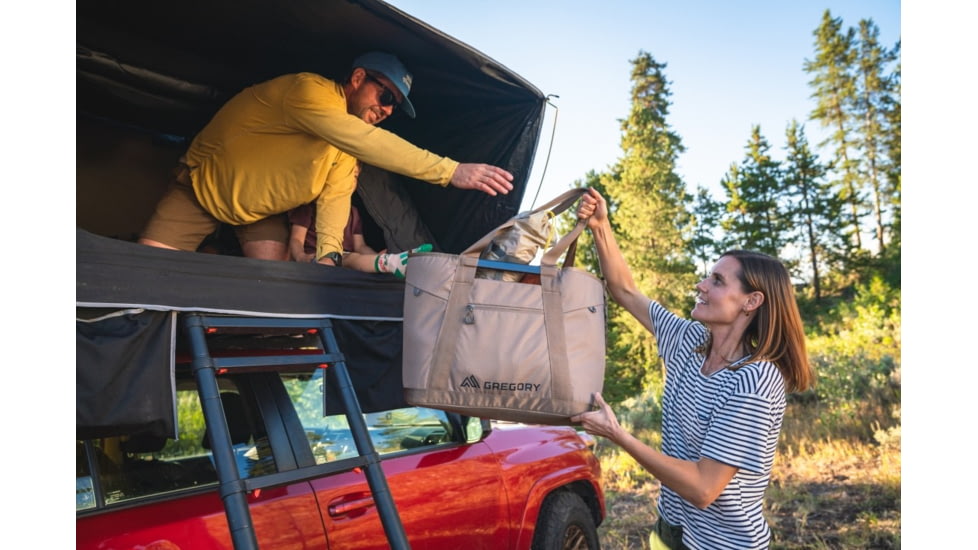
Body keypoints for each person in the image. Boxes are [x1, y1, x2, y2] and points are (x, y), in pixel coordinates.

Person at [570, 188, 814, 550]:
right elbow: (624, 290)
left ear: (752, 301)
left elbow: (703, 488)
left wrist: (619, 435)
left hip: (722, 543)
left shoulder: (755, 380)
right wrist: (600, 226)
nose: (701, 285)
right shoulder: (689, 340)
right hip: (670, 527)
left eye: (717, 280)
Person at [138, 51, 514, 266]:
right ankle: (210, 252)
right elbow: (366, 140)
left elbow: (335, 199)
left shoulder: (345, 147)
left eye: (393, 108)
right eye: (384, 97)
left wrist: (329, 256)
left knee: (267, 291)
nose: (386, 110)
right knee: (140, 277)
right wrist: (450, 171)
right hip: (201, 190)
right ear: (358, 78)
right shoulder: (310, 92)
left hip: (257, 213)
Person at [288, 201, 430, 278]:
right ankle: (392, 263)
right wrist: (301, 257)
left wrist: (374, 255)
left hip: (345, 255)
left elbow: (360, 245)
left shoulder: (352, 211)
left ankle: (390, 261)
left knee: (355, 256)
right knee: (350, 258)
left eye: (355, 177)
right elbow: (296, 238)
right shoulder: (311, 206)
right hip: (320, 257)